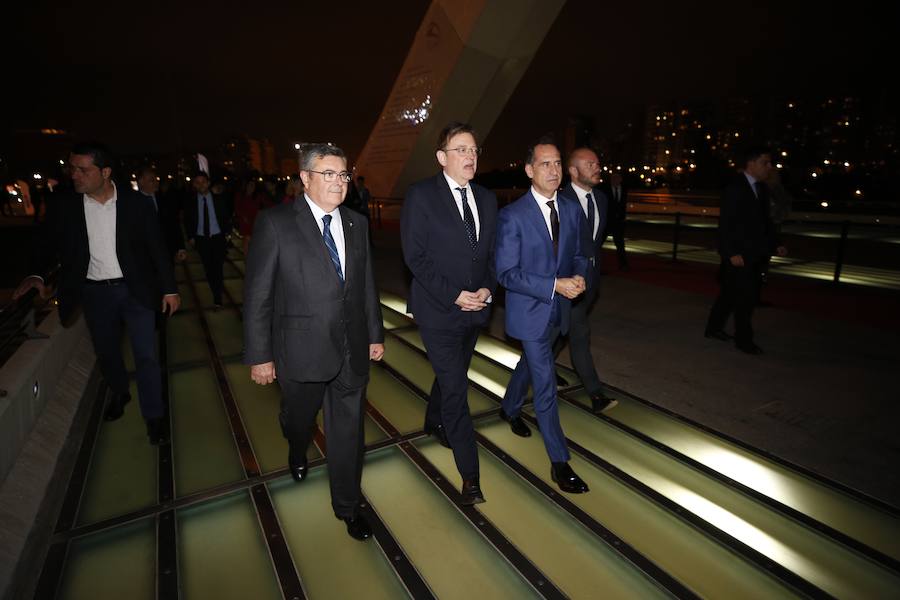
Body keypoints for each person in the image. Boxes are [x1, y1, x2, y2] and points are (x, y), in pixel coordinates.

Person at [243, 142, 384, 541]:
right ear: (305, 179)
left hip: (351, 349)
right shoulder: (276, 224)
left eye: (343, 174)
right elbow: (258, 295)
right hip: (299, 351)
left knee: (348, 435)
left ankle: (347, 505)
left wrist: (375, 333)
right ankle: (295, 444)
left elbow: (366, 285)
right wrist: (260, 356)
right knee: (299, 420)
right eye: (328, 174)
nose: (339, 182)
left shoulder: (356, 223)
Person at [13, 142, 180, 444]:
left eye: (82, 170)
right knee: (107, 353)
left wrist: (169, 289)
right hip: (94, 294)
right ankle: (120, 392)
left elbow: (157, 249)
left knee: (146, 356)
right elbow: (43, 244)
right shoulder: (65, 206)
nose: (74, 175)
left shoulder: (135, 203)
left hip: (135, 291)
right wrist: (36, 274)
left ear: (105, 172)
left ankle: (154, 416)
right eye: (72, 168)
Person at [401, 122, 497, 505]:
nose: (470, 156)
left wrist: (488, 288)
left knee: (452, 373)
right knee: (457, 389)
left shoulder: (487, 199)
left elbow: (490, 255)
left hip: (475, 311)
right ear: (442, 158)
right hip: (439, 311)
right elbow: (415, 257)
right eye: (461, 150)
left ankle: (431, 421)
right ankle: (470, 476)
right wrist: (455, 295)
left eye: (473, 150)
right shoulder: (421, 195)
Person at [496, 137, 590, 494]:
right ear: (529, 170)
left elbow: (581, 252)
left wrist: (579, 276)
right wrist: (555, 285)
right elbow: (506, 273)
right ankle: (559, 462)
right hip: (532, 310)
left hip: (562, 308)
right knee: (546, 383)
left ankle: (509, 407)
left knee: (531, 364)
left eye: (556, 163)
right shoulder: (512, 216)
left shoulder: (569, 208)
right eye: (544, 164)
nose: (552, 170)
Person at [705, 145, 787, 354]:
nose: (769, 167)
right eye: (765, 163)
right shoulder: (735, 187)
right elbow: (726, 223)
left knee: (729, 294)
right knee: (746, 299)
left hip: (754, 252)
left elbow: (765, 221)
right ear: (751, 163)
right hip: (739, 255)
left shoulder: (761, 188)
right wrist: (731, 252)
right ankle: (744, 340)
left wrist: (775, 242)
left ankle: (713, 328)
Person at [557, 148, 617, 413]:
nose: (597, 167)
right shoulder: (559, 200)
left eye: (598, 162)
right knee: (580, 333)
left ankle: (540, 369)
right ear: (573, 171)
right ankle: (595, 393)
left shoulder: (602, 199)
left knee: (560, 332)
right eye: (590, 164)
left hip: (590, 282)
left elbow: (594, 242)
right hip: (565, 284)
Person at [183, 170, 233, 307]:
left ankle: (217, 296)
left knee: (218, 267)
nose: (201, 185)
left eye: (203, 182)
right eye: (198, 183)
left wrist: (227, 233)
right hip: (201, 239)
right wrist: (191, 236)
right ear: (194, 184)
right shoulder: (191, 201)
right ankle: (215, 289)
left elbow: (226, 215)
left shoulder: (218, 198)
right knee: (208, 268)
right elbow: (187, 219)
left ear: (208, 183)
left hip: (217, 237)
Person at [136, 166, 187, 263]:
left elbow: (174, 224)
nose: (156, 183)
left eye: (156, 179)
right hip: (144, 255)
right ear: (141, 182)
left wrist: (180, 247)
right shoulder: (132, 203)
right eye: (152, 180)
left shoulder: (165, 199)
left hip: (167, 251)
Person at [599, 171, 629, 270]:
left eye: (617, 178)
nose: (615, 180)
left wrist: (623, 218)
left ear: (621, 180)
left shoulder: (624, 189)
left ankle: (623, 264)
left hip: (619, 222)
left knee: (620, 244)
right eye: (613, 178)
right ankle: (597, 265)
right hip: (606, 221)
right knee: (599, 244)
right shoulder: (604, 189)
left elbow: (623, 205)